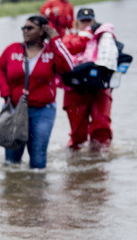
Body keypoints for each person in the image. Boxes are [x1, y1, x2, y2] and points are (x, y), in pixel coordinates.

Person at [0, 15, 75, 169]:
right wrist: (5, 93)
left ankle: (36, 192)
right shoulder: (13, 49)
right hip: (15, 108)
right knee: (12, 158)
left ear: (42, 31)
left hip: (43, 111)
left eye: (29, 28)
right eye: (23, 28)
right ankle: (13, 191)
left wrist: (55, 39)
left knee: (38, 158)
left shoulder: (51, 51)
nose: (25, 31)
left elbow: (69, 66)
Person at [62, 8, 119, 152]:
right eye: (83, 21)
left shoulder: (103, 36)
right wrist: (87, 35)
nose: (86, 24)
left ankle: (98, 162)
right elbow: (69, 48)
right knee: (78, 132)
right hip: (75, 90)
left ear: (93, 21)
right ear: (77, 22)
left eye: (89, 21)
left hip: (99, 89)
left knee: (102, 127)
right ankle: (75, 155)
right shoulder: (69, 37)